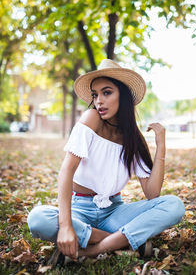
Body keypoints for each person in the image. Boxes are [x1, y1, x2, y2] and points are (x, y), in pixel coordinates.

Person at [27, 59, 185, 263]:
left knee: (174, 205)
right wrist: (66, 226)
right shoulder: (91, 118)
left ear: (124, 96)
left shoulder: (133, 139)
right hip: (79, 212)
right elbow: (66, 170)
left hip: (114, 212)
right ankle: (122, 241)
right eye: (95, 94)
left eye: (107, 92)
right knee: (38, 219)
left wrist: (161, 147)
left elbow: (152, 193)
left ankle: (93, 250)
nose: (99, 100)